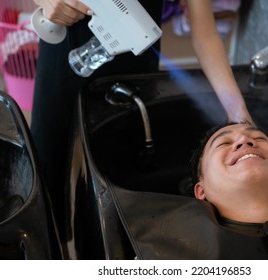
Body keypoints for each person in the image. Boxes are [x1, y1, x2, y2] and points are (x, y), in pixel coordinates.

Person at [30, 0, 246, 242]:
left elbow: (205, 34)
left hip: (131, 63)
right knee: (46, 166)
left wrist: (238, 112)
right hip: (64, 46)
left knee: (110, 179)